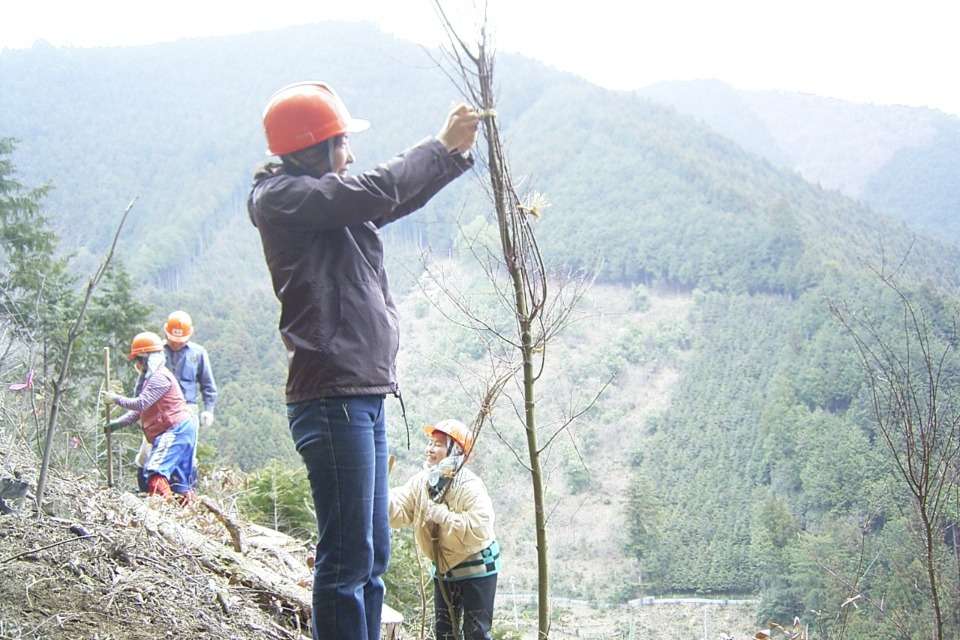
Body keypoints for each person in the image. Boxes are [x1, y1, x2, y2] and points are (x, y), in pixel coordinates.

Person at [247, 81, 479, 640]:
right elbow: (373, 187)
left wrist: (451, 156)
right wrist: (438, 146)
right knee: (348, 560)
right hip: (331, 400)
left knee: (371, 554)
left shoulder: (328, 206)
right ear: (315, 148)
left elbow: (387, 197)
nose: (350, 155)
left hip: (362, 395)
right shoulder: (283, 199)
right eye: (342, 143)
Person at [389, 419, 499, 640]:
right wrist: (380, 497)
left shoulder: (469, 485)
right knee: (444, 633)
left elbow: (480, 524)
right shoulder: (422, 482)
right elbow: (401, 508)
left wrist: (445, 517)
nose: (430, 449)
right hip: (444, 570)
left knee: (476, 633)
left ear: (455, 451)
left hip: (476, 568)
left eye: (438, 444)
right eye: (430, 442)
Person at [103, 331, 198, 502]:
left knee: (155, 471)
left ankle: (163, 508)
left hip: (175, 430)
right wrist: (116, 424)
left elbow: (141, 403)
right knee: (178, 483)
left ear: (148, 359)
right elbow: (138, 412)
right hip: (177, 430)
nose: (138, 365)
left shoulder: (160, 378)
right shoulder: (150, 380)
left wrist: (116, 399)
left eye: (140, 360)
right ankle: (182, 511)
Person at [134, 310, 217, 492]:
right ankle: (146, 491)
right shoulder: (155, 352)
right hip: (158, 408)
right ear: (166, 333)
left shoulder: (198, 353)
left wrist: (208, 410)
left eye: (181, 340)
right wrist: (139, 410)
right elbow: (142, 382)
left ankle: (184, 495)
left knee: (187, 454)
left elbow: (208, 386)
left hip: (187, 410)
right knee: (148, 452)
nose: (177, 343)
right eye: (173, 339)